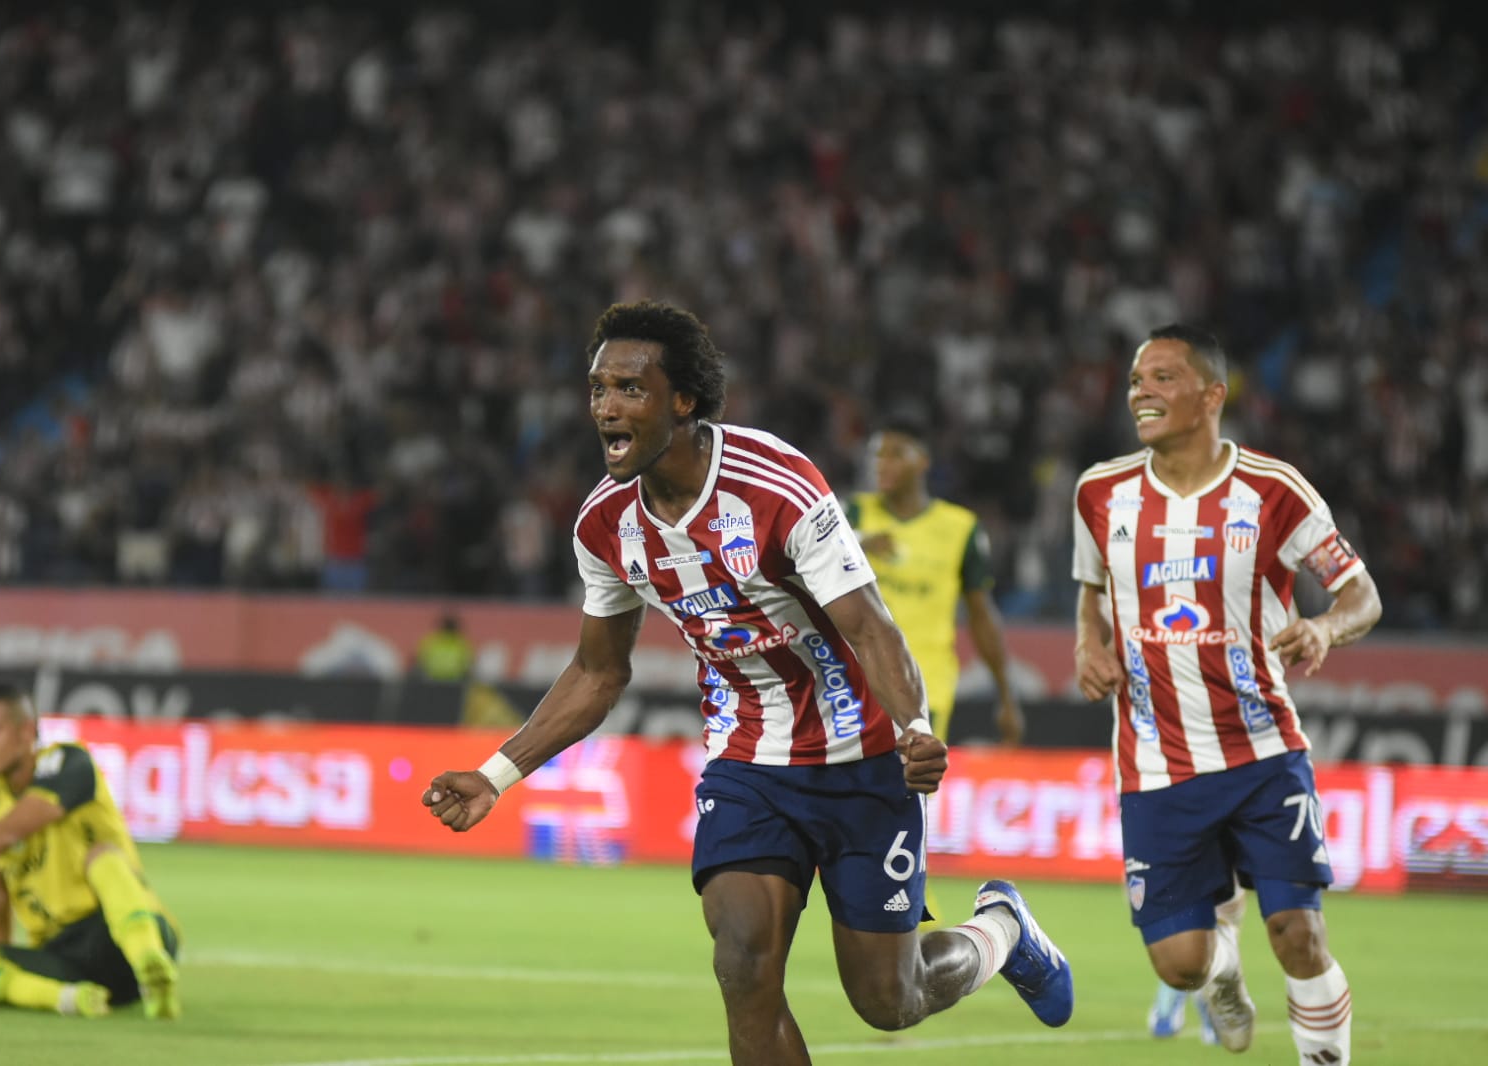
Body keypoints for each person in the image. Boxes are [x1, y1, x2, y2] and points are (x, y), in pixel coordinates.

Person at [425, 300, 1073, 1066]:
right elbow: (599, 670)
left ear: (683, 401)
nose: (606, 406)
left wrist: (914, 728)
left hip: (863, 757)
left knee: (886, 1000)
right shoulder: (604, 525)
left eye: (630, 388)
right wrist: (498, 775)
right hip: (748, 763)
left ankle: (1000, 931)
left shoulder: (775, 484)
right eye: (598, 388)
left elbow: (869, 625)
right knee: (742, 962)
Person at [1073, 324, 1381, 1062]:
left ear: (1211, 396)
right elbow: (1089, 587)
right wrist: (1088, 642)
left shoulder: (1272, 491)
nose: (1139, 391)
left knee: (1298, 935)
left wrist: (1323, 629)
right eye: (1136, 379)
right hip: (1155, 764)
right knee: (1178, 962)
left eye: (1162, 378)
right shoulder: (1099, 492)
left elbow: (1360, 594)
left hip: (1261, 750)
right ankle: (1220, 975)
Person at [0, 682, 181, 1019]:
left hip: (121, 932)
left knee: (103, 857)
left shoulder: (70, 764)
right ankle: (68, 999)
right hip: (64, 958)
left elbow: (8, 832)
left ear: (26, 731)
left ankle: (150, 966)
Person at [847, 411, 1024, 749]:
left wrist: (1006, 694)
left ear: (923, 461)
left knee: (909, 792)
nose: (882, 463)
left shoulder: (960, 528)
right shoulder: (852, 515)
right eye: (878, 454)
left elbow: (981, 615)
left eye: (896, 454)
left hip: (924, 687)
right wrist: (855, 541)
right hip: (855, 682)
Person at [414, 613, 475, 681]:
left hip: (432, 680)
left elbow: (420, 661)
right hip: (455, 681)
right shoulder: (462, 643)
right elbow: (468, 664)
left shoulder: (430, 641)